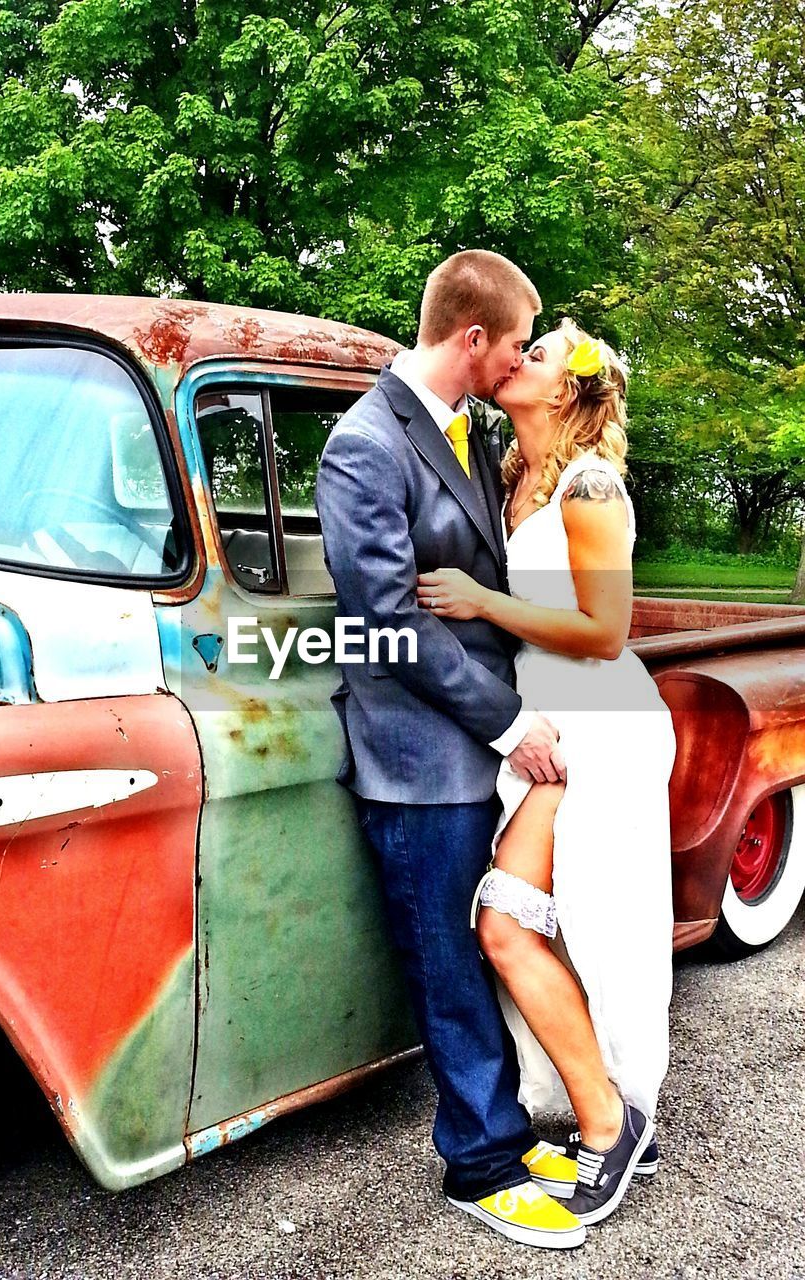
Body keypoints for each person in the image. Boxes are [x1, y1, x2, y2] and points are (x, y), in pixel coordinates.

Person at [316, 251, 587, 1250]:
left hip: (473, 739)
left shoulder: (462, 433)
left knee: (481, 946)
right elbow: (385, 619)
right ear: (471, 338)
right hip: (418, 754)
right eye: (515, 340)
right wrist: (513, 724)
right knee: (447, 962)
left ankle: (506, 1133)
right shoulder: (365, 445)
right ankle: (478, 1161)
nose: (520, 356)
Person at [416, 318, 676, 1227]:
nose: (518, 356)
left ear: (567, 390)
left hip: (604, 722)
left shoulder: (590, 483)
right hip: (544, 729)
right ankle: (611, 1109)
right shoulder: (509, 474)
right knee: (516, 925)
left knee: (602, 924)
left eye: (540, 351)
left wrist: (484, 600)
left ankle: (615, 1122)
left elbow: (606, 631)